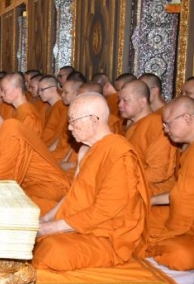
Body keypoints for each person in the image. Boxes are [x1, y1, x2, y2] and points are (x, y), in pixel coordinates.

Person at [34, 93, 149, 271]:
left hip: (107, 235)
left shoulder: (120, 155)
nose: (70, 128)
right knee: (32, 223)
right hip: (82, 223)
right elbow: (74, 195)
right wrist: (45, 220)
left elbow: (103, 213)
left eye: (73, 121)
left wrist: (49, 228)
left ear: (93, 121)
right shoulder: (86, 150)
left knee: (53, 251)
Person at [146, 96, 194, 271]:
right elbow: (182, 192)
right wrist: (150, 201)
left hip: (186, 225)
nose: (165, 130)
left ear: (187, 118)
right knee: (135, 221)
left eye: (167, 124)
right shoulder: (188, 149)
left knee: (179, 256)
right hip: (181, 220)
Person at [119, 80, 178, 196]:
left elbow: (159, 171)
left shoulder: (157, 125)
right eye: (119, 100)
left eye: (125, 101)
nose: (120, 105)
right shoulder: (133, 125)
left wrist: (123, 182)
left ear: (142, 102)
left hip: (151, 193)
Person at [1, 72, 43, 136]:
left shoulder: (29, 116)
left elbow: (27, 143)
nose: (1, 94)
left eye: (5, 91)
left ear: (17, 90)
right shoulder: (17, 110)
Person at [38, 75, 67, 149]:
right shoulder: (46, 107)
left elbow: (60, 134)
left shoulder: (63, 107)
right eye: (39, 90)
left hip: (52, 148)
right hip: (42, 145)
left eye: (42, 90)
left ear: (53, 89)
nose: (39, 93)